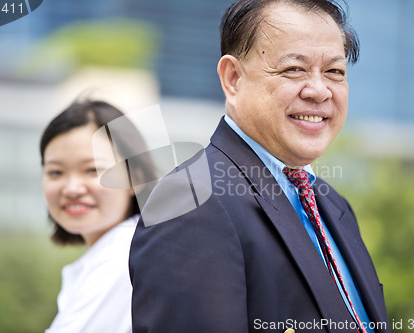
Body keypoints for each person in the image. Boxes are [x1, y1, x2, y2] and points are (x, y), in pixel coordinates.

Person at [129, 0, 391, 333]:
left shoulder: (333, 206)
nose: (319, 90)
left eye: (334, 72)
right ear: (233, 78)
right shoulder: (188, 205)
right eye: (294, 69)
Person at [41, 99, 154, 333]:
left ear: (136, 177)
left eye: (92, 170)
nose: (72, 188)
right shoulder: (127, 250)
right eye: (56, 172)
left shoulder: (124, 259)